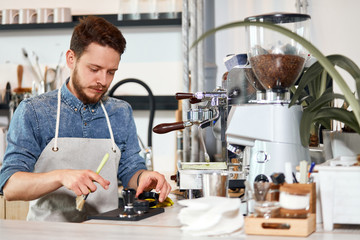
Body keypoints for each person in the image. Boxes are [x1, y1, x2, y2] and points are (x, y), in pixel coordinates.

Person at [0, 16, 171, 222]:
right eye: (94, 69)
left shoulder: (120, 112)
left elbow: (130, 171)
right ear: (71, 59)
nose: (103, 81)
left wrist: (144, 177)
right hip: (47, 234)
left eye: (111, 72)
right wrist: (61, 176)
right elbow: (10, 186)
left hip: (105, 231)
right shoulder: (34, 111)